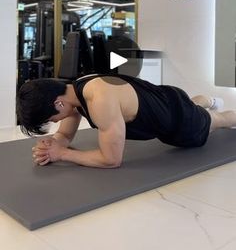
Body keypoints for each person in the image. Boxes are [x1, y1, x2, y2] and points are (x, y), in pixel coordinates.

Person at [16, 73, 232, 169]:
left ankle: (213, 109)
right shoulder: (76, 89)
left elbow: (111, 160)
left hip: (182, 122)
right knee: (191, 105)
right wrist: (54, 143)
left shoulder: (100, 101)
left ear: (58, 104)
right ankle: (206, 100)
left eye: (51, 119)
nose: (55, 122)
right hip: (167, 97)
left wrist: (63, 154)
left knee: (218, 120)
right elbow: (64, 134)